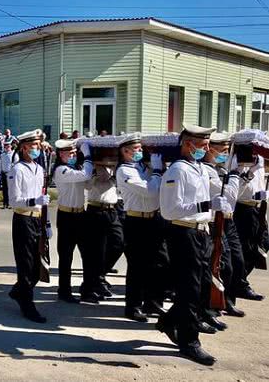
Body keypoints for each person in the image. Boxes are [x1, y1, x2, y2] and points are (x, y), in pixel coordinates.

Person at [158, 124, 229, 366]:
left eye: (208, 144)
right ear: (188, 145)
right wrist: (205, 206)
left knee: (198, 289)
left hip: (201, 233)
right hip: (183, 233)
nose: (207, 149)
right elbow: (168, 210)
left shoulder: (198, 168)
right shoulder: (177, 171)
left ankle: (168, 321)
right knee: (189, 290)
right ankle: (189, 342)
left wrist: (214, 204)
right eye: (203, 145)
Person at [116, 133, 168, 322]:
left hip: (154, 219)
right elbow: (150, 190)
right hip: (136, 222)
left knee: (160, 262)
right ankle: (133, 306)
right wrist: (156, 171)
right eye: (136, 149)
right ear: (125, 151)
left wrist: (157, 169)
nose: (140, 151)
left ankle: (153, 301)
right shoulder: (124, 171)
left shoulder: (143, 166)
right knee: (137, 266)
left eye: (141, 148)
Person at [199, 132, 244, 323]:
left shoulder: (222, 171)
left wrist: (242, 176)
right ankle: (210, 306)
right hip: (210, 222)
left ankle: (224, 300)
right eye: (223, 151)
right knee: (216, 266)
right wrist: (235, 175)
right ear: (210, 149)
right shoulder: (206, 171)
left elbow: (234, 197)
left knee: (233, 263)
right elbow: (228, 193)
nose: (226, 155)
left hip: (226, 220)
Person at [7, 129, 50, 323]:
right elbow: (14, 201)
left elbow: (43, 201)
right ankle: (27, 304)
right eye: (33, 146)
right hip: (23, 219)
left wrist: (46, 222)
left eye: (38, 146)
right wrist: (35, 200)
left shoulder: (39, 169)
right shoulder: (17, 169)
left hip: (37, 219)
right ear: (24, 148)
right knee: (26, 264)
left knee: (36, 266)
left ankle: (19, 291)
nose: (37, 149)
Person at [53, 139, 95, 303]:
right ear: (60, 154)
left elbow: (88, 185)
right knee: (66, 256)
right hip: (66, 216)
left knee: (87, 254)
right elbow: (85, 174)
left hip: (80, 214)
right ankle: (64, 290)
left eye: (74, 153)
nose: (72, 156)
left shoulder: (75, 169)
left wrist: (96, 173)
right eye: (69, 153)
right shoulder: (61, 170)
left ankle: (88, 289)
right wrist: (89, 157)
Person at [86, 164, 124, 298]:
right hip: (97, 209)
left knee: (118, 244)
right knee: (98, 250)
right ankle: (94, 282)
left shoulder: (117, 168)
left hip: (112, 210)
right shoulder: (94, 168)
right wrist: (113, 177)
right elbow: (97, 186)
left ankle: (99, 275)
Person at [233, 152, 266, 301]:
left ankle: (240, 280)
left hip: (258, 208)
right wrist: (250, 172)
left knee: (263, 244)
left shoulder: (259, 161)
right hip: (243, 208)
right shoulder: (239, 160)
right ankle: (239, 284)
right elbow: (236, 191)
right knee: (245, 248)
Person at [0, 142, 16, 209]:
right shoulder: (2, 155)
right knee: (5, 189)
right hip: (4, 173)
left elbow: (16, 164)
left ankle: (10, 203)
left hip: (11, 173)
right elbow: (0, 164)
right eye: (5, 146)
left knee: (11, 189)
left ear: (10, 147)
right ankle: (5, 203)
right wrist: (0, 173)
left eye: (8, 146)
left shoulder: (13, 154)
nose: (7, 147)